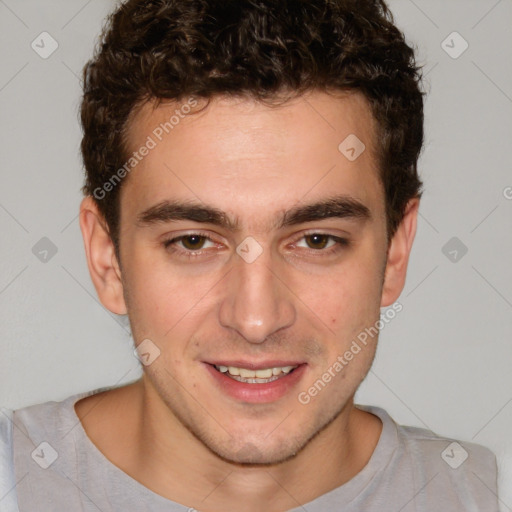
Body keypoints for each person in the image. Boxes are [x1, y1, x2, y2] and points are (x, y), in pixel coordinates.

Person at [0, 0, 500, 510]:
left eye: (316, 240)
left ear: (396, 252)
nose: (257, 320)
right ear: (107, 258)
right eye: (193, 241)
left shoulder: (481, 493)